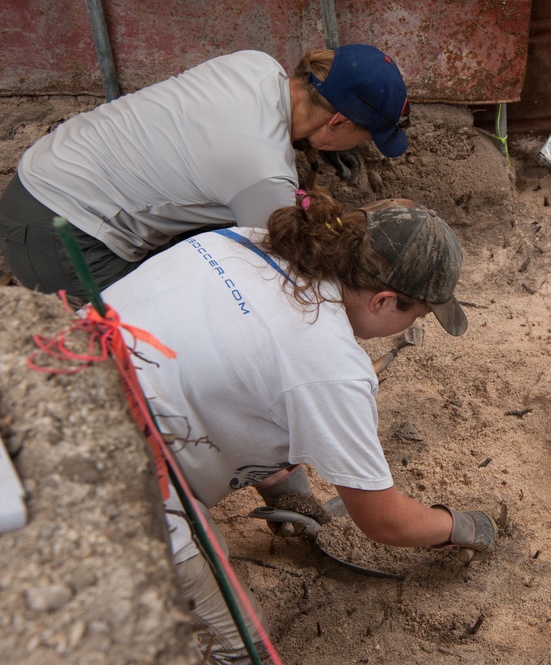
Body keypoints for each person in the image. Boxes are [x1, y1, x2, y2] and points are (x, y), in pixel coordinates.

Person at [98, 191, 496, 662]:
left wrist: (282, 483)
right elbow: (384, 521)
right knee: (248, 647)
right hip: (110, 485)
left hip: (45, 387)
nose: (416, 324)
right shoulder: (331, 365)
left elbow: (236, 374)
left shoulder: (242, 242)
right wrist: (456, 525)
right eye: (418, 314)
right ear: (384, 300)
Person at [0, 44, 411, 300]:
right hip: (61, 235)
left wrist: (303, 148)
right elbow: (286, 271)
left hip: (47, 171)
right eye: (365, 136)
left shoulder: (255, 64)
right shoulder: (262, 173)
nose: (361, 146)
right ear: (338, 122)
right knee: (147, 350)